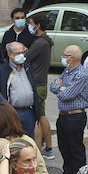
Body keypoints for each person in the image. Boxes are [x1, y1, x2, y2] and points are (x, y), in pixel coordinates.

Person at [52, 45, 88, 174]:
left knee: (75, 149)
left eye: (65, 55)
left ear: (73, 58)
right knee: (64, 148)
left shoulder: (81, 74)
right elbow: (53, 86)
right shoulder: (67, 71)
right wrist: (61, 87)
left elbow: (67, 95)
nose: (62, 57)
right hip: (63, 116)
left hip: (75, 117)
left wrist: (61, 87)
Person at [26, 13, 56, 159]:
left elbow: (25, 58)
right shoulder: (43, 41)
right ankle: (47, 147)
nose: (29, 26)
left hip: (37, 84)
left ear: (37, 25)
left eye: (31, 23)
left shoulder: (40, 43)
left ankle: (42, 149)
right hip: (40, 83)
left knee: (38, 117)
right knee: (40, 116)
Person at [0, 41, 39, 133]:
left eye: (23, 52)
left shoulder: (27, 67)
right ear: (10, 54)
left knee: (28, 141)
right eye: (18, 53)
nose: (21, 55)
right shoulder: (1, 71)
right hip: (13, 112)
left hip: (29, 112)